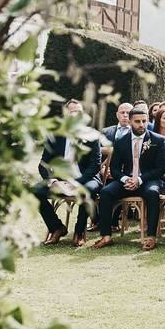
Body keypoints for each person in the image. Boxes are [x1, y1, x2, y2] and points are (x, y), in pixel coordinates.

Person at [93, 108, 165, 251]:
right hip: (127, 180)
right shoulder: (121, 141)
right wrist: (125, 179)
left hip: (149, 180)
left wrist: (139, 180)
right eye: (138, 121)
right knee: (106, 192)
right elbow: (114, 169)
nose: (142, 125)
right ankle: (106, 236)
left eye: (144, 121)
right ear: (131, 121)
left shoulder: (158, 140)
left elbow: (161, 168)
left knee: (153, 193)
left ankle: (151, 236)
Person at [34, 99, 102, 247]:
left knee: (87, 190)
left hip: (86, 178)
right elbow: (43, 163)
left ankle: (79, 232)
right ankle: (57, 227)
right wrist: (53, 181)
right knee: (36, 191)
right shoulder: (55, 135)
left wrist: (77, 183)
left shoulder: (92, 136)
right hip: (60, 179)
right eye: (72, 112)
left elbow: (95, 164)